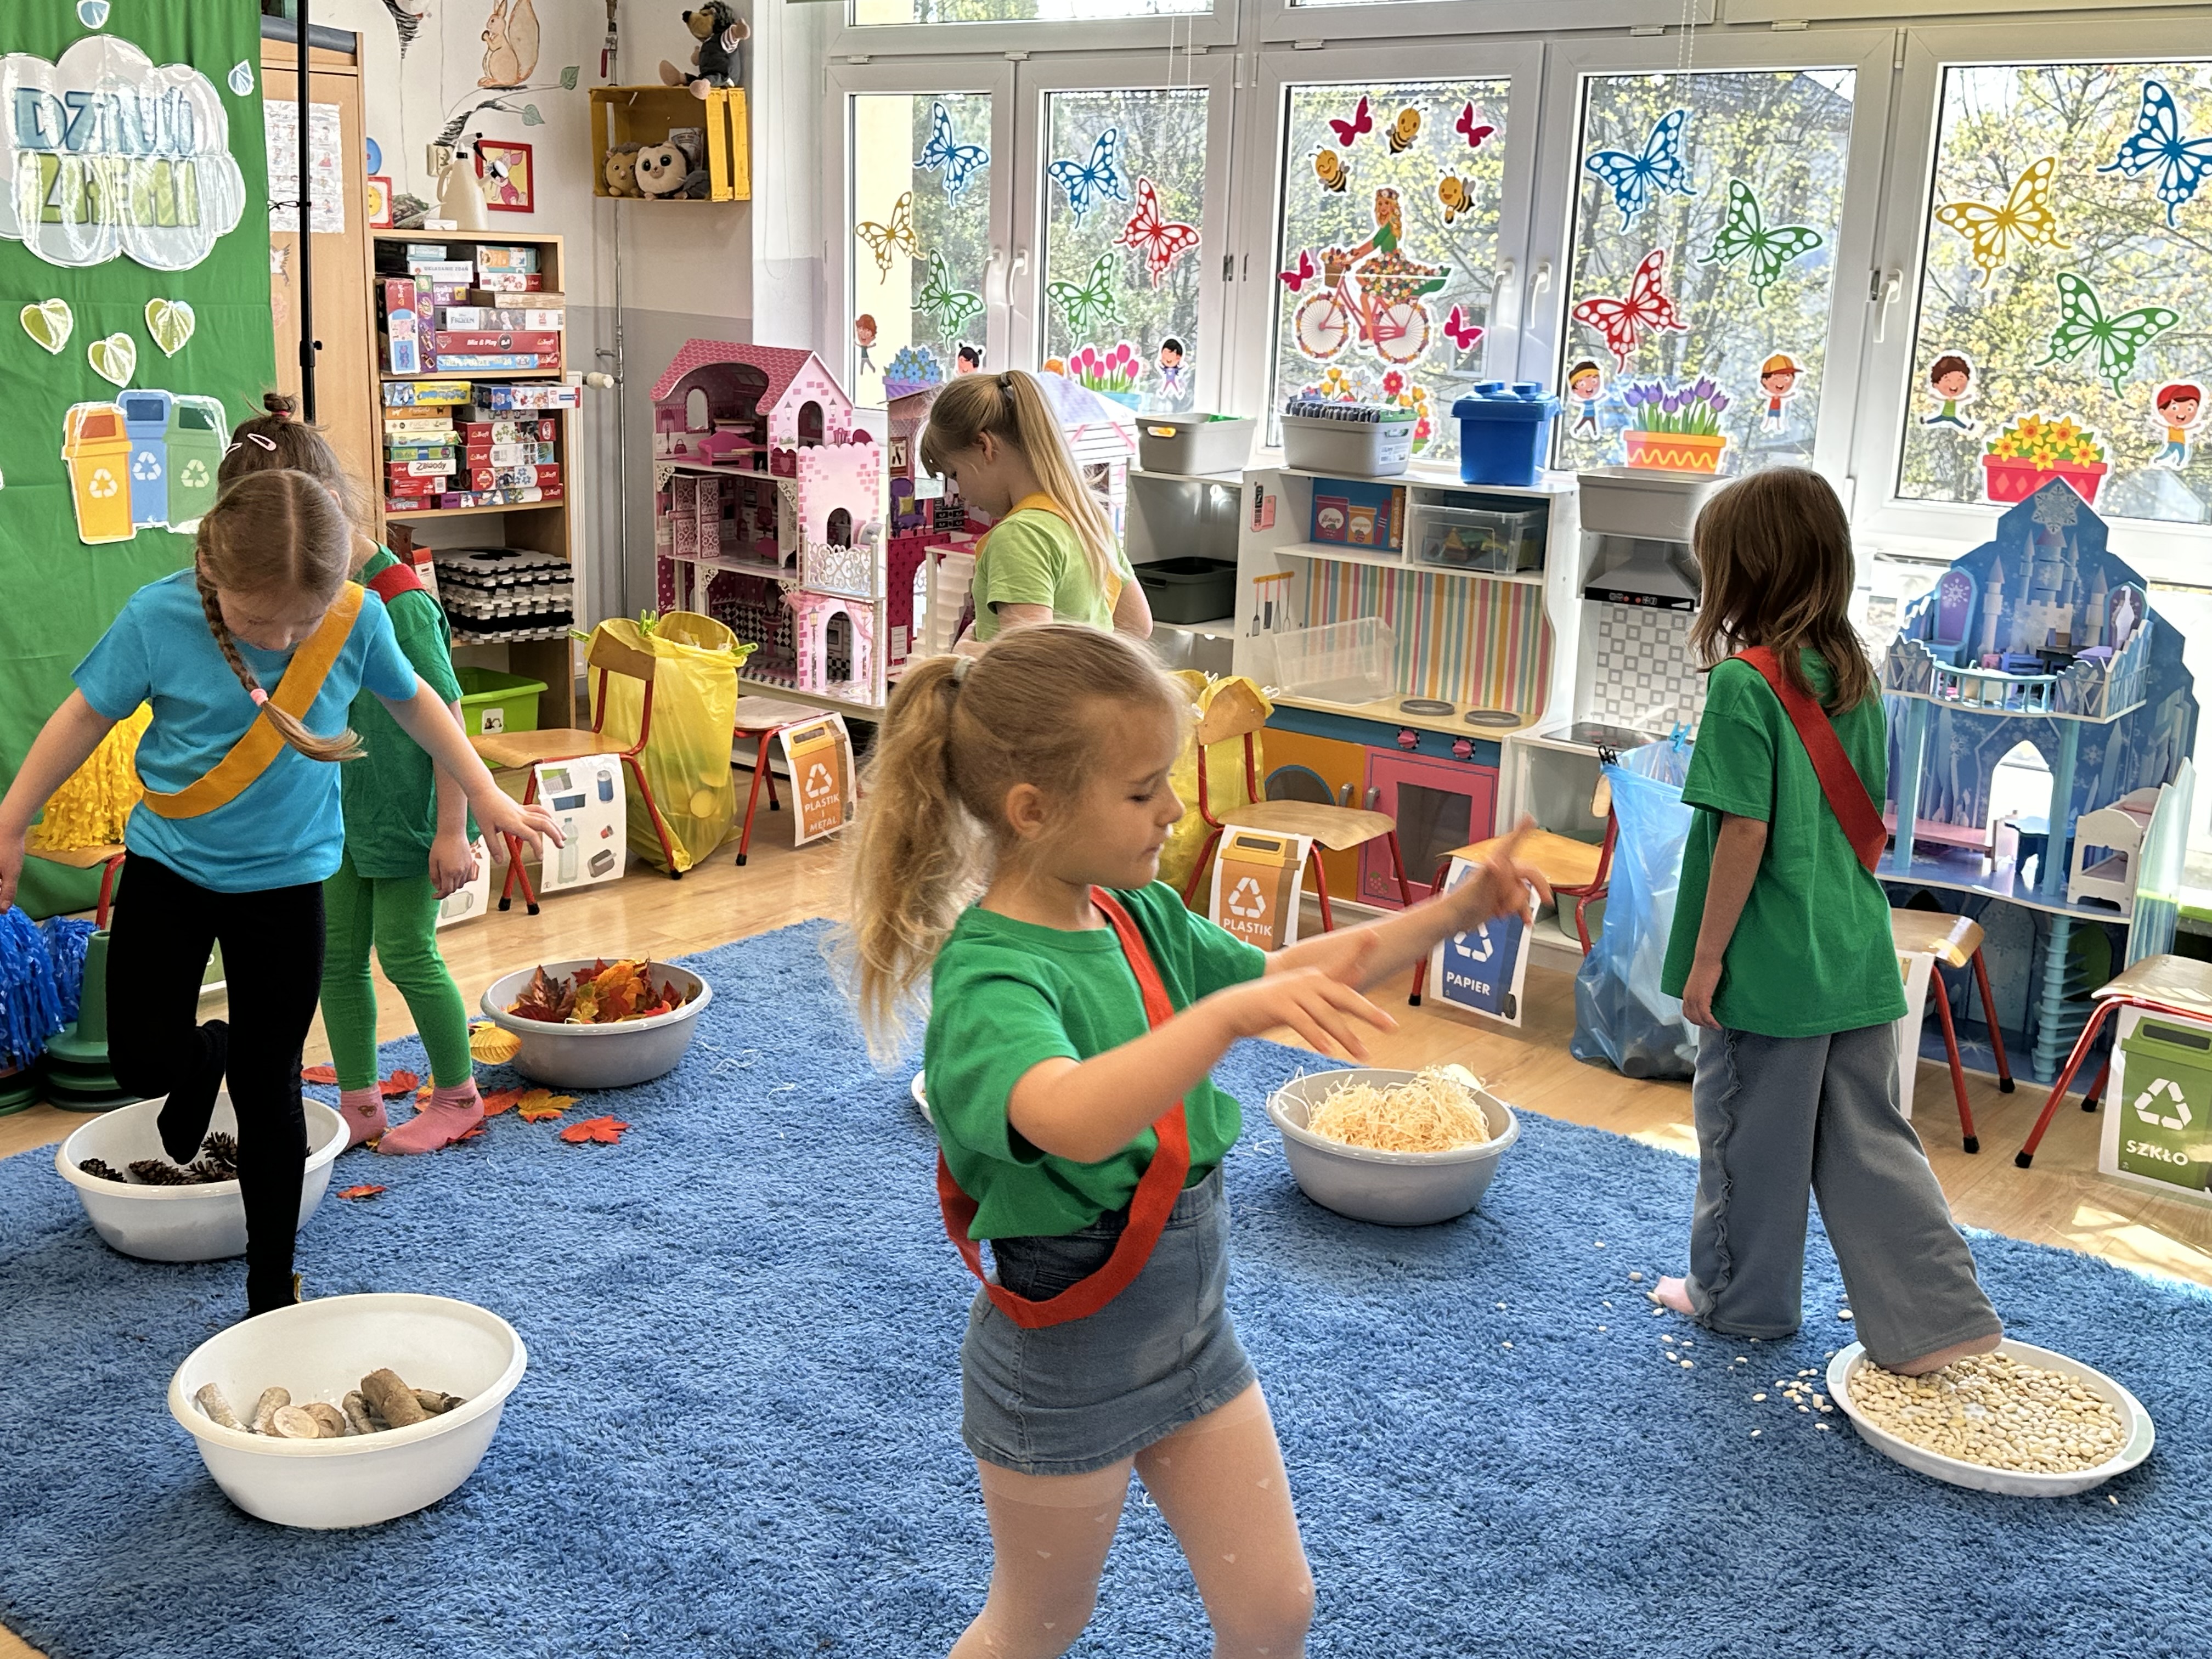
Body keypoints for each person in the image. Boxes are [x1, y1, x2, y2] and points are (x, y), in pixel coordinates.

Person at [840, 625, 1546, 1659]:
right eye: (1142, 791)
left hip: (1192, 1334)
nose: (1174, 809)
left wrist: (1456, 909)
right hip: (1063, 1365)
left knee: (1275, 1610)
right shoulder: (991, 974)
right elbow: (1070, 1114)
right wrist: (1218, 1021)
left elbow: (1298, 967)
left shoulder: (1136, 913)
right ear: (1032, 811)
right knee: (1038, 1626)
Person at [0, 470, 560, 1317]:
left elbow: (419, 703)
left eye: (303, 621)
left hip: (288, 886)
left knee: (271, 1091)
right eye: (260, 623)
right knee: (141, 1060)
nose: (284, 639)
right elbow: (84, 715)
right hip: (170, 870)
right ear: (211, 569)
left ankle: (271, 1291)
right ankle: (209, 1053)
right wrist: (12, 822)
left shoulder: (357, 617)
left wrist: (482, 795)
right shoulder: (158, 617)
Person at [1651, 467, 2002, 1379]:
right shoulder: (1853, 673)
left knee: (1747, 1139)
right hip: (1852, 949)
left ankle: (1738, 1300)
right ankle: (1937, 1319)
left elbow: (1746, 830)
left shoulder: (1744, 684)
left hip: (1771, 966)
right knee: (1869, 1142)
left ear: (1744, 572)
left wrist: (1706, 960)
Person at [218, 396, 484, 1154]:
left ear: (327, 510)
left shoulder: (398, 602)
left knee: (407, 954)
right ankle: (362, 1103)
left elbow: (448, 718)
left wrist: (451, 830)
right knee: (335, 961)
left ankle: (459, 1095)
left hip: (409, 815)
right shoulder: (313, 594)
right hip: (337, 815)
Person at [919, 370, 1152, 651]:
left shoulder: (1020, 535)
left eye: (955, 474)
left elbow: (1029, 664)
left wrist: (966, 656)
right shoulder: (1085, 519)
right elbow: (1137, 625)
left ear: (984, 447)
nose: (962, 495)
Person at [2151, 381, 2202, 470]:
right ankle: (2159, 459)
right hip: (2173, 442)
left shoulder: (2182, 429)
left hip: (2181, 443)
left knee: (2182, 453)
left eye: (2190, 409)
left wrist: (2196, 426)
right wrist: (2156, 422)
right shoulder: (2171, 428)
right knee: (2168, 453)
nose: (2182, 414)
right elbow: (2163, 426)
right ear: (2163, 411)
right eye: (2174, 408)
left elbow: (2189, 428)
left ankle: (2178, 462)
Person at [1921, 354, 1977, 431]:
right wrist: (1933, 397)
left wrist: (1967, 398)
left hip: (1952, 416)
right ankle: (1925, 421)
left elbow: (1961, 400)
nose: (1954, 385)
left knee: (1958, 423)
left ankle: (1968, 427)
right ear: (1936, 385)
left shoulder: (1954, 400)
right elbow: (1940, 399)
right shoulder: (1947, 400)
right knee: (1936, 420)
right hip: (1944, 415)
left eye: (1960, 380)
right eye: (1948, 380)